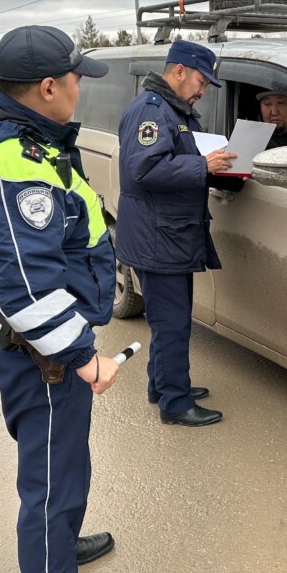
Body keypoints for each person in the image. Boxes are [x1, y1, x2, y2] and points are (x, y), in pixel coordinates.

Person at [0, 25, 120, 573]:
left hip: (39, 349)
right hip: (46, 357)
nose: (79, 89)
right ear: (45, 88)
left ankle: (58, 543)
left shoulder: (9, 131)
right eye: (74, 79)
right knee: (51, 483)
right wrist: (85, 357)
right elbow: (26, 291)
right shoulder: (19, 168)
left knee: (62, 468)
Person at [115, 40, 236, 427]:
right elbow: (144, 170)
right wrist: (203, 165)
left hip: (168, 235)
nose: (203, 90)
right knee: (173, 323)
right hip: (158, 238)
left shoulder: (173, 109)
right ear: (179, 70)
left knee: (170, 320)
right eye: (201, 80)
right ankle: (175, 403)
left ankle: (162, 385)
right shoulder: (151, 111)